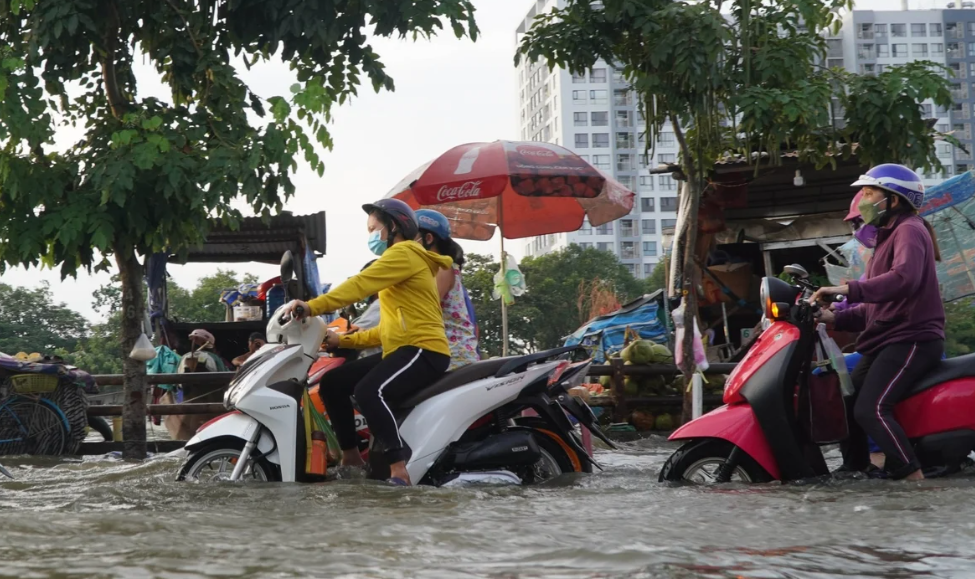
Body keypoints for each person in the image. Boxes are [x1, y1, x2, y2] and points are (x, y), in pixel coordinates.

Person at [286, 198, 452, 486]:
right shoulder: (402, 261)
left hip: (424, 349)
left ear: (394, 226)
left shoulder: (404, 253)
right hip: (402, 348)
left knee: (368, 391)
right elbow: (385, 331)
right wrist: (342, 341)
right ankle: (352, 458)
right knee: (333, 383)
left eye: (375, 228)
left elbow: (359, 284)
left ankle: (398, 469)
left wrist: (313, 306)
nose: (372, 236)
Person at [811, 164, 945, 481]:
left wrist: (845, 289)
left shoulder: (910, 229)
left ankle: (912, 476)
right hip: (887, 338)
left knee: (870, 408)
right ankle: (857, 469)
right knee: (848, 397)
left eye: (869, 192)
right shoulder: (884, 242)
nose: (862, 200)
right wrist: (832, 315)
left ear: (893, 200)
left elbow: (904, 280)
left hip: (912, 338)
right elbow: (874, 308)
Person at [415, 209, 480, 370]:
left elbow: (424, 308)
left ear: (428, 239)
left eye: (409, 238)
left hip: (452, 354)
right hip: (436, 351)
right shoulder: (430, 269)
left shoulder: (441, 267)